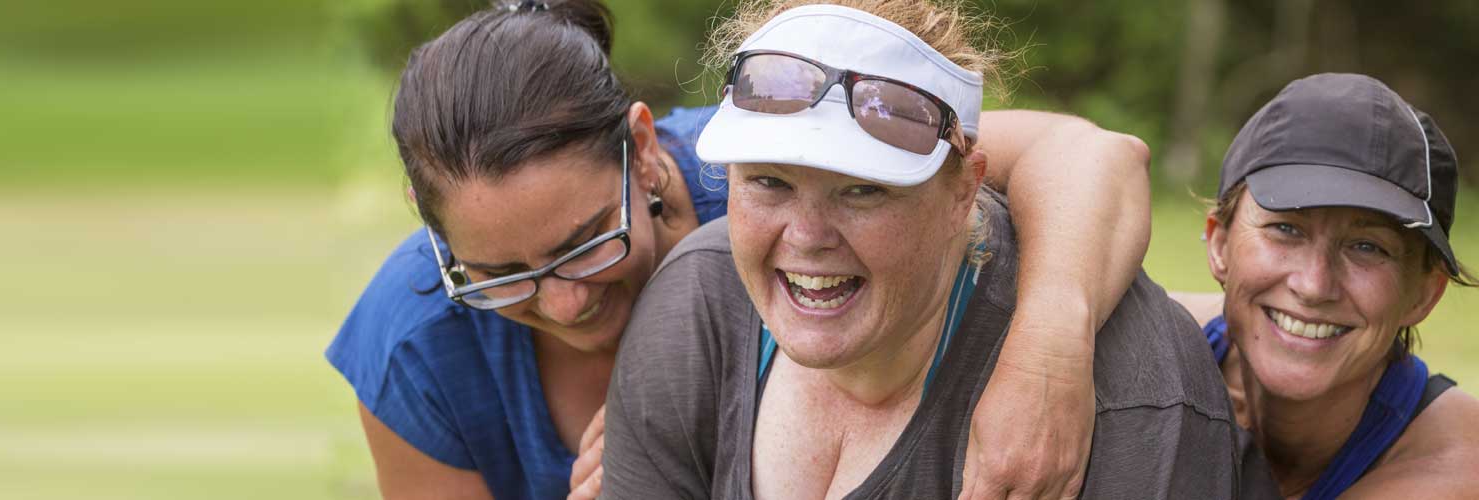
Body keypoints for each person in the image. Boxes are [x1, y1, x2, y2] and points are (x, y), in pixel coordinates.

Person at [326, 0, 1156, 498]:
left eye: (585, 244)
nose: (564, 302)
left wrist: (1049, 355)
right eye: (504, 276)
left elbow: (1097, 158)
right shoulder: (413, 342)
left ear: (642, 148)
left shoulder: (779, 187)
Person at [600, 2, 1244, 499]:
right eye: (769, 181)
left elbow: (1103, 154)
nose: (806, 235)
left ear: (965, 189)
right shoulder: (697, 307)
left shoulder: (1132, 395)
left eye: (862, 191)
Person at [1170, 73, 1479, 498]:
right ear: (1220, 244)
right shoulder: (1159, 343)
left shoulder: (1457, 469)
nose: (1314, 285)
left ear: (1424, 294)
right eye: (1285, 228)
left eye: (1368, 246)